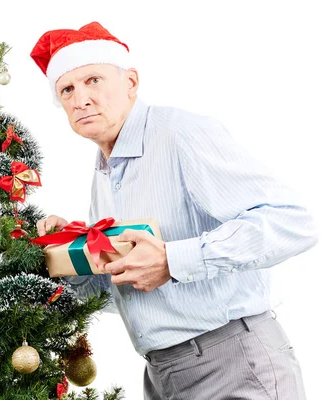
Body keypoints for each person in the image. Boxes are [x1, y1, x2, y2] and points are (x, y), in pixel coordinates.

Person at [31, 22, 318, 399]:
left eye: (94, 80)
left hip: (231, 363)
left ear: (131, 82)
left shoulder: (179, 133)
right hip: (162, 374)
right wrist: (71, 253)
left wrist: (174, 260)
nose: (80, 98)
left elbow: (293, 221)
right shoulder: (105, 168)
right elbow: (128, 285)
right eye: (67, 89)